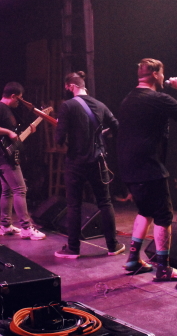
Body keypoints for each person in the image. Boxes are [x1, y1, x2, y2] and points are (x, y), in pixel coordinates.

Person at [118, 58, 177, 281]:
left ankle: (133, 260)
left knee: (146, 211)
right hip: (148, 166)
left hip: (129, 166)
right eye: (162, 74)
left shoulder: (128, 99)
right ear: (154, 74)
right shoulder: (156, 98)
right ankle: (163, 268)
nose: (164, 78)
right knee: (164, 215)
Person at [53, 71, 124, 258]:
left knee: (74, 205)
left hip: (75, 163)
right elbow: (117, 127)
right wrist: (102, 135)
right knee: (105, 202)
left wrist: (61, 126)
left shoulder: (67, 106)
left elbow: (59, 139)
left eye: (67, 88)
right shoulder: (100, 105)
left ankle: (73, 249)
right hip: (98, 162)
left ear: (71, 86)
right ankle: (113, 246)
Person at [0, 82, 46, 240]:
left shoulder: (8, 111)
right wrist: (9, 131)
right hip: (3, 158)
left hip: (5, 156)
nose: (19, 102)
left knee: (8, 191)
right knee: (20, 190)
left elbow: (14, 138)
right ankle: (26, 227)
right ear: (13, 96)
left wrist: (27, 131)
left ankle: (5, 226)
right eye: (19, 99)